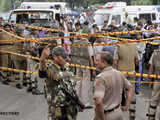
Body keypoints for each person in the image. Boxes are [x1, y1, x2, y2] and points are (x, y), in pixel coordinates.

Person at [39, 45, 79, 120]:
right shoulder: (50, 68)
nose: (66, 59)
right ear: (55, 57)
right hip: (57, 109)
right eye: (63, 57)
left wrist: (77, 101)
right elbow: (42, 73)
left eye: (66, 57)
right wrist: (42, 59)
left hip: (70, 107)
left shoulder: (66, 67)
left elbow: (71, 87)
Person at [94, 51, 134, 120]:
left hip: (106, 115)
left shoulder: (100, 78)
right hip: (118, 113)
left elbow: (98, 102)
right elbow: (130, 88)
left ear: (105, 63)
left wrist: (102, 118)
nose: (95, 62)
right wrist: (127, 105)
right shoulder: (119, 73)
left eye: (98, 60)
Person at [114, 42, 139, 120]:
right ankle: (132, 110)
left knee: (119, 91)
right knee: (131, 90)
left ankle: (119, 110)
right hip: (131, 71)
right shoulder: (134, 46)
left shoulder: (118, 46)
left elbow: (115, 62)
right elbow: (137, 60)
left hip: (121, 72)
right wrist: (136, 69)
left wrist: (114, 72)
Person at [146, 46, 160, 120]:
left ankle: (151, 117)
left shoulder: (156, 52)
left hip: (156, 81)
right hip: (156, 80)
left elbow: (151, 67)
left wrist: (150, 80)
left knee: (154, 100)